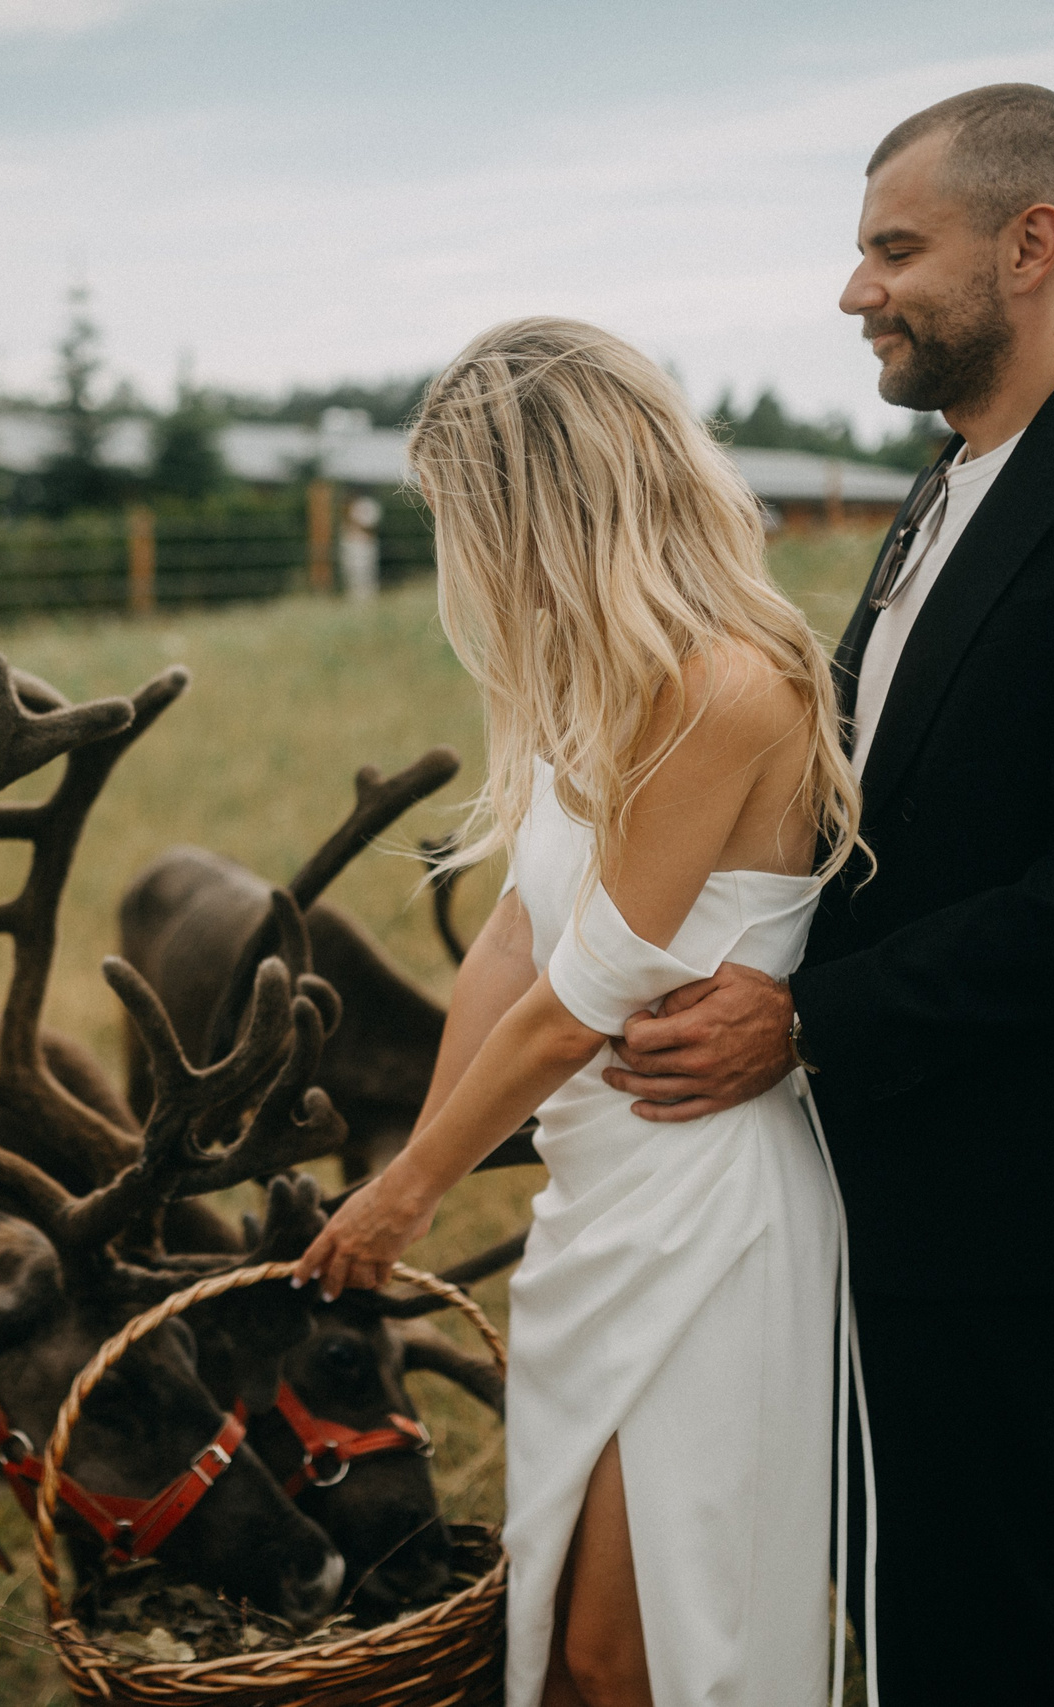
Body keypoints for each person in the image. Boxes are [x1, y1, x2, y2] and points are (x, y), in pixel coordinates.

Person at [597, 86, 1054, 1704]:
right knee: (906, 1598)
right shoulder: (954, 474)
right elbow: (883, 790)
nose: (857, 292)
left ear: (1029, 245)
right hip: (904, 1155)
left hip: (1032, 1183)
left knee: (1001, 1635)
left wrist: (807, 1018)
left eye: (894, 250)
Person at [295, 316, 871, 1707]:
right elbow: (512, 935)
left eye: (470, 525)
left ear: (544, 508)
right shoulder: (585, 691)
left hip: (707, 1210)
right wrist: (411, 1158)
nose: (466, 569)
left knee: (643, 1651)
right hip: (597, 1202)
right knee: (555, 1635)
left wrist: (412, 1192)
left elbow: (582, 999)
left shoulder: (728, 684)